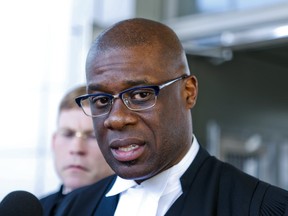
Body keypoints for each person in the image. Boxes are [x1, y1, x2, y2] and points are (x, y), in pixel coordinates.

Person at [56, 18, 288, 216]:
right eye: (101, 100)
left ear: (189, 92)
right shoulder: (69, 209)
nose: (116, 119)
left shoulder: (261, 208)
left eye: (140, 94)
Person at [39, 85, 114, 216]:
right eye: (67, 134)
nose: (76, 148)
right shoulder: (36, 209)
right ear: (54, 141)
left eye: (92, 136)